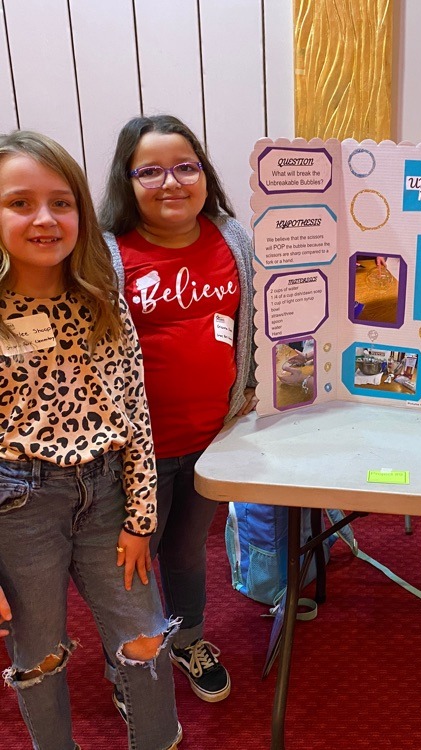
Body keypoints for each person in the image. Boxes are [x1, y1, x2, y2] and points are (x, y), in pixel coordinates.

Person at [0, 130, 180, 749]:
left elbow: (135, 411)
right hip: (19, 504)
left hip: (107, 493)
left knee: (145, 636)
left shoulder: (103, 295)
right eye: (20, 203)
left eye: (62, 201)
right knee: (40, 650)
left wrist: (140, 516)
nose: (45, 218)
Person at [99, 114, 256, 711]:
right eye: (152, 170)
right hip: (136, 452)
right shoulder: (109, 252)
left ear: (204, 174)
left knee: (188, 550)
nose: (172, 182)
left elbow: (250, 328)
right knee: (132, 562)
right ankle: (131, 665)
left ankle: (189, 639)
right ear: (128, 179)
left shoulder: (231, 237)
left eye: (185, 166)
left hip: (213, 437)